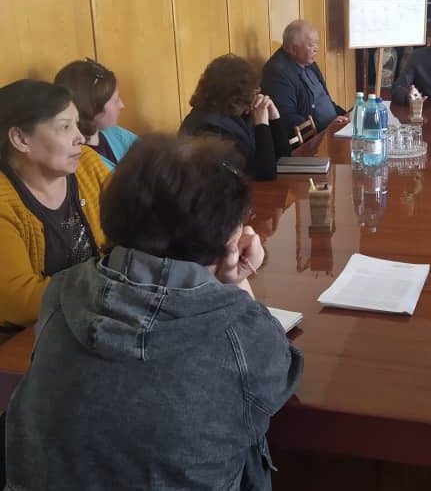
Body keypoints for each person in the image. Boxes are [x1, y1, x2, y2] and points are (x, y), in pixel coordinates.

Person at [5, 135, 303, 490]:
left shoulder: (62, 290)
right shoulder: (240, 332)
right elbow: (280, 376)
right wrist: (237, 281)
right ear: (227, 238)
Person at [0, 79, 107, 329]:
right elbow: (20, 302)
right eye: (65, 126)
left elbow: (137, 218)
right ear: (20, 139)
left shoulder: (87, 163)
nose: (80, 137)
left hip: (94, 317)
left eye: (77, 124)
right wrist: (110, 286)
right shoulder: (5, 201)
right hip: (29, 337)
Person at [180, 54, 291, 181]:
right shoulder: (209, 128)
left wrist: (274, 118)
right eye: (252, 93)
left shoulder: (236, 116)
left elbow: (284, 159)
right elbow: (264, 173)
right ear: (233, 97)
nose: (255, 97)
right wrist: (261, 124)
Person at [261, 19, 348, 136]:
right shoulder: (277, 73)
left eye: (317, 44)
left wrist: (346, 117)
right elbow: (288, 119)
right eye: (311, 45)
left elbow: (325, 99)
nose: (316, 49)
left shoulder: (308, 62)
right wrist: (327, 128)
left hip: (333, 128)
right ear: (293, 49)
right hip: (314, 137)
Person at [54, 58, 137, 170]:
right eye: (116, 100)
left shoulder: (117, 134)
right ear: (92, 107)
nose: (122, 105)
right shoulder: (77, 160)